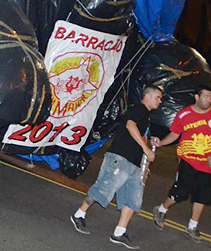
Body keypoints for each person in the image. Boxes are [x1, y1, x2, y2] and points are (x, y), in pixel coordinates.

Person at [70, 85, 163, 249]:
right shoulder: (139, 109)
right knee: (103, 189)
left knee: (133, 199)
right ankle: (79, 214)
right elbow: (130, 125)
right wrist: (146, 149)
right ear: (147, 96)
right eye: (158, 97)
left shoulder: (146, 116)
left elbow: (138, 133)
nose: (160, 101)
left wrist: (150, 141)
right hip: (120, 158)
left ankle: (119, 232)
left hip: (133, 164)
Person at [151, 85, 211, 243]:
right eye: (206, 96)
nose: (209, 100)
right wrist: (161, 143)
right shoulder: (184, 114)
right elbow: (175, 134)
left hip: (207, 164)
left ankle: (192, 227)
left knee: (202, 196)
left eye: (210, 97)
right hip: (187, 160)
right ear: (197, 97)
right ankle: (161, 209)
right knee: (181, 192)